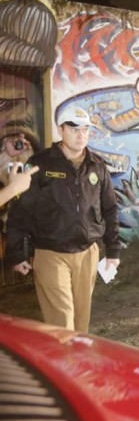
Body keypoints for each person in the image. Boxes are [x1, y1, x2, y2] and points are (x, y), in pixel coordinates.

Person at [6, 107, 121, 333]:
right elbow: (20, 212)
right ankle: (63, 363)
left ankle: (75, 365)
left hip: (87, 252)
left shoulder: (97, 165)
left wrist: (114, 251)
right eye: (74, 129)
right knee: (62, 322)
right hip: (51, 254)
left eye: (85, 129)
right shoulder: (40, 164)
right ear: (60, 130)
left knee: (80, 323)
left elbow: (109, 209)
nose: (81, 135)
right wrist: (17, 253)